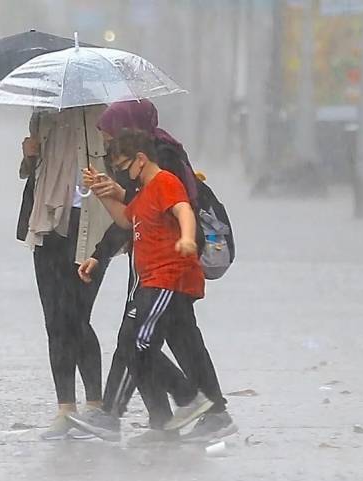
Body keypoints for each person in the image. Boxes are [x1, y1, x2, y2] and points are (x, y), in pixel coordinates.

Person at [69, 100, 235, 443]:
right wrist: (101, 249)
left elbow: (174, 207)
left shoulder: (163, 161)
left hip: (167, 264)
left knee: (135, 340)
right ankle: (189, 416)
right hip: (154, 262)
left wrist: (186, 238)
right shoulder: (136, 166)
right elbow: (131, 216)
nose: (109, 147)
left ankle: (135, 412)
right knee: (180, 340)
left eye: (112, 138)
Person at [19, 106, 114, 440]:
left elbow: (123, 172)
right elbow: (33, 172)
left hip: (91, 225)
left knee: (77, 316)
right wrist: (29, 155)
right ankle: (65, 408)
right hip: (48, 224)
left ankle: (95, 404)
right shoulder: (43, 114)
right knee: (54, 319)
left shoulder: (104, 116)